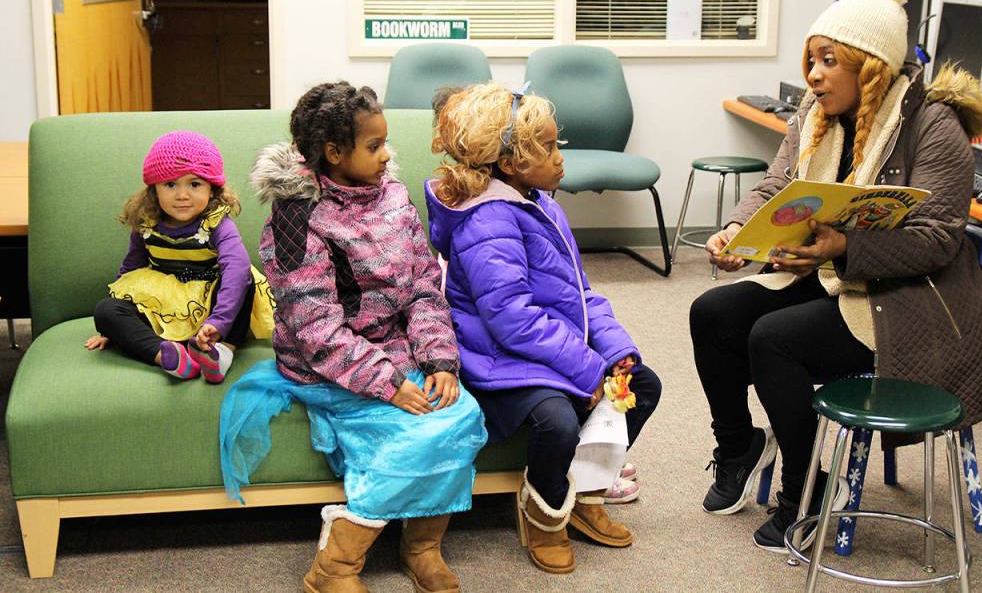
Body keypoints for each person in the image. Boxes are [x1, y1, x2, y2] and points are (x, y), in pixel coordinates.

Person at [690, 0, 982, 553]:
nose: (813, 75)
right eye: (811, 59)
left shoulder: (933, 126)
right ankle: (737, 447)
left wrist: (843, 247)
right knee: (712, 313)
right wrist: (737, 230)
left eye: (828, 61)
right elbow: (777, 184)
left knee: (773, 338)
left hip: (908, 298)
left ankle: (806, 489)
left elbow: (937, 239)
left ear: (872, 65)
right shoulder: (814, 112)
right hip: (833, 275)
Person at [225, 81, 487, 593]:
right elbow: (315, 328)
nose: (388, 155)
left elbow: (424, 288)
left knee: (463, 414)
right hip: (327, 364)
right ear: (333, 152)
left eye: (385, 142)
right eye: (374, 146)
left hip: (398, 352)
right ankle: (334, 567)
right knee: (420, 431)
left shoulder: (392, 194)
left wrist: (438, 361)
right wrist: (389, 383)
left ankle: (421, 548)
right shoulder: (295, 218)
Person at [425, 82, 662, 574]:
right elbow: (512, 321)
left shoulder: (540, 204)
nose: (561, 157)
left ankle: (588, 491)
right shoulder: (488, 220)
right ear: (510, 163)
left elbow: (579, 291)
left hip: (547, 350)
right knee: (557, 420)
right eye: (550, 147)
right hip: (500, 362)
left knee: (640, 385)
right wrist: (588, 368)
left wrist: (614, 350)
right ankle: (545, 511)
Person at [86, 130, 274, 382]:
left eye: (195, 184)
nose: (182, 195)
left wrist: (218, 322)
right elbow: (130, 272)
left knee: (244, 281)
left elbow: (236, 268)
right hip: (164, 308)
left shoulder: (216, 223)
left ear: (212, 189)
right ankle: (168, 358)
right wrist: (114, 330)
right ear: (154, 189)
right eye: (170, 184)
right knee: (106, 310)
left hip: (212, 309)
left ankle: (220, 354)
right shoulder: (147, 224)